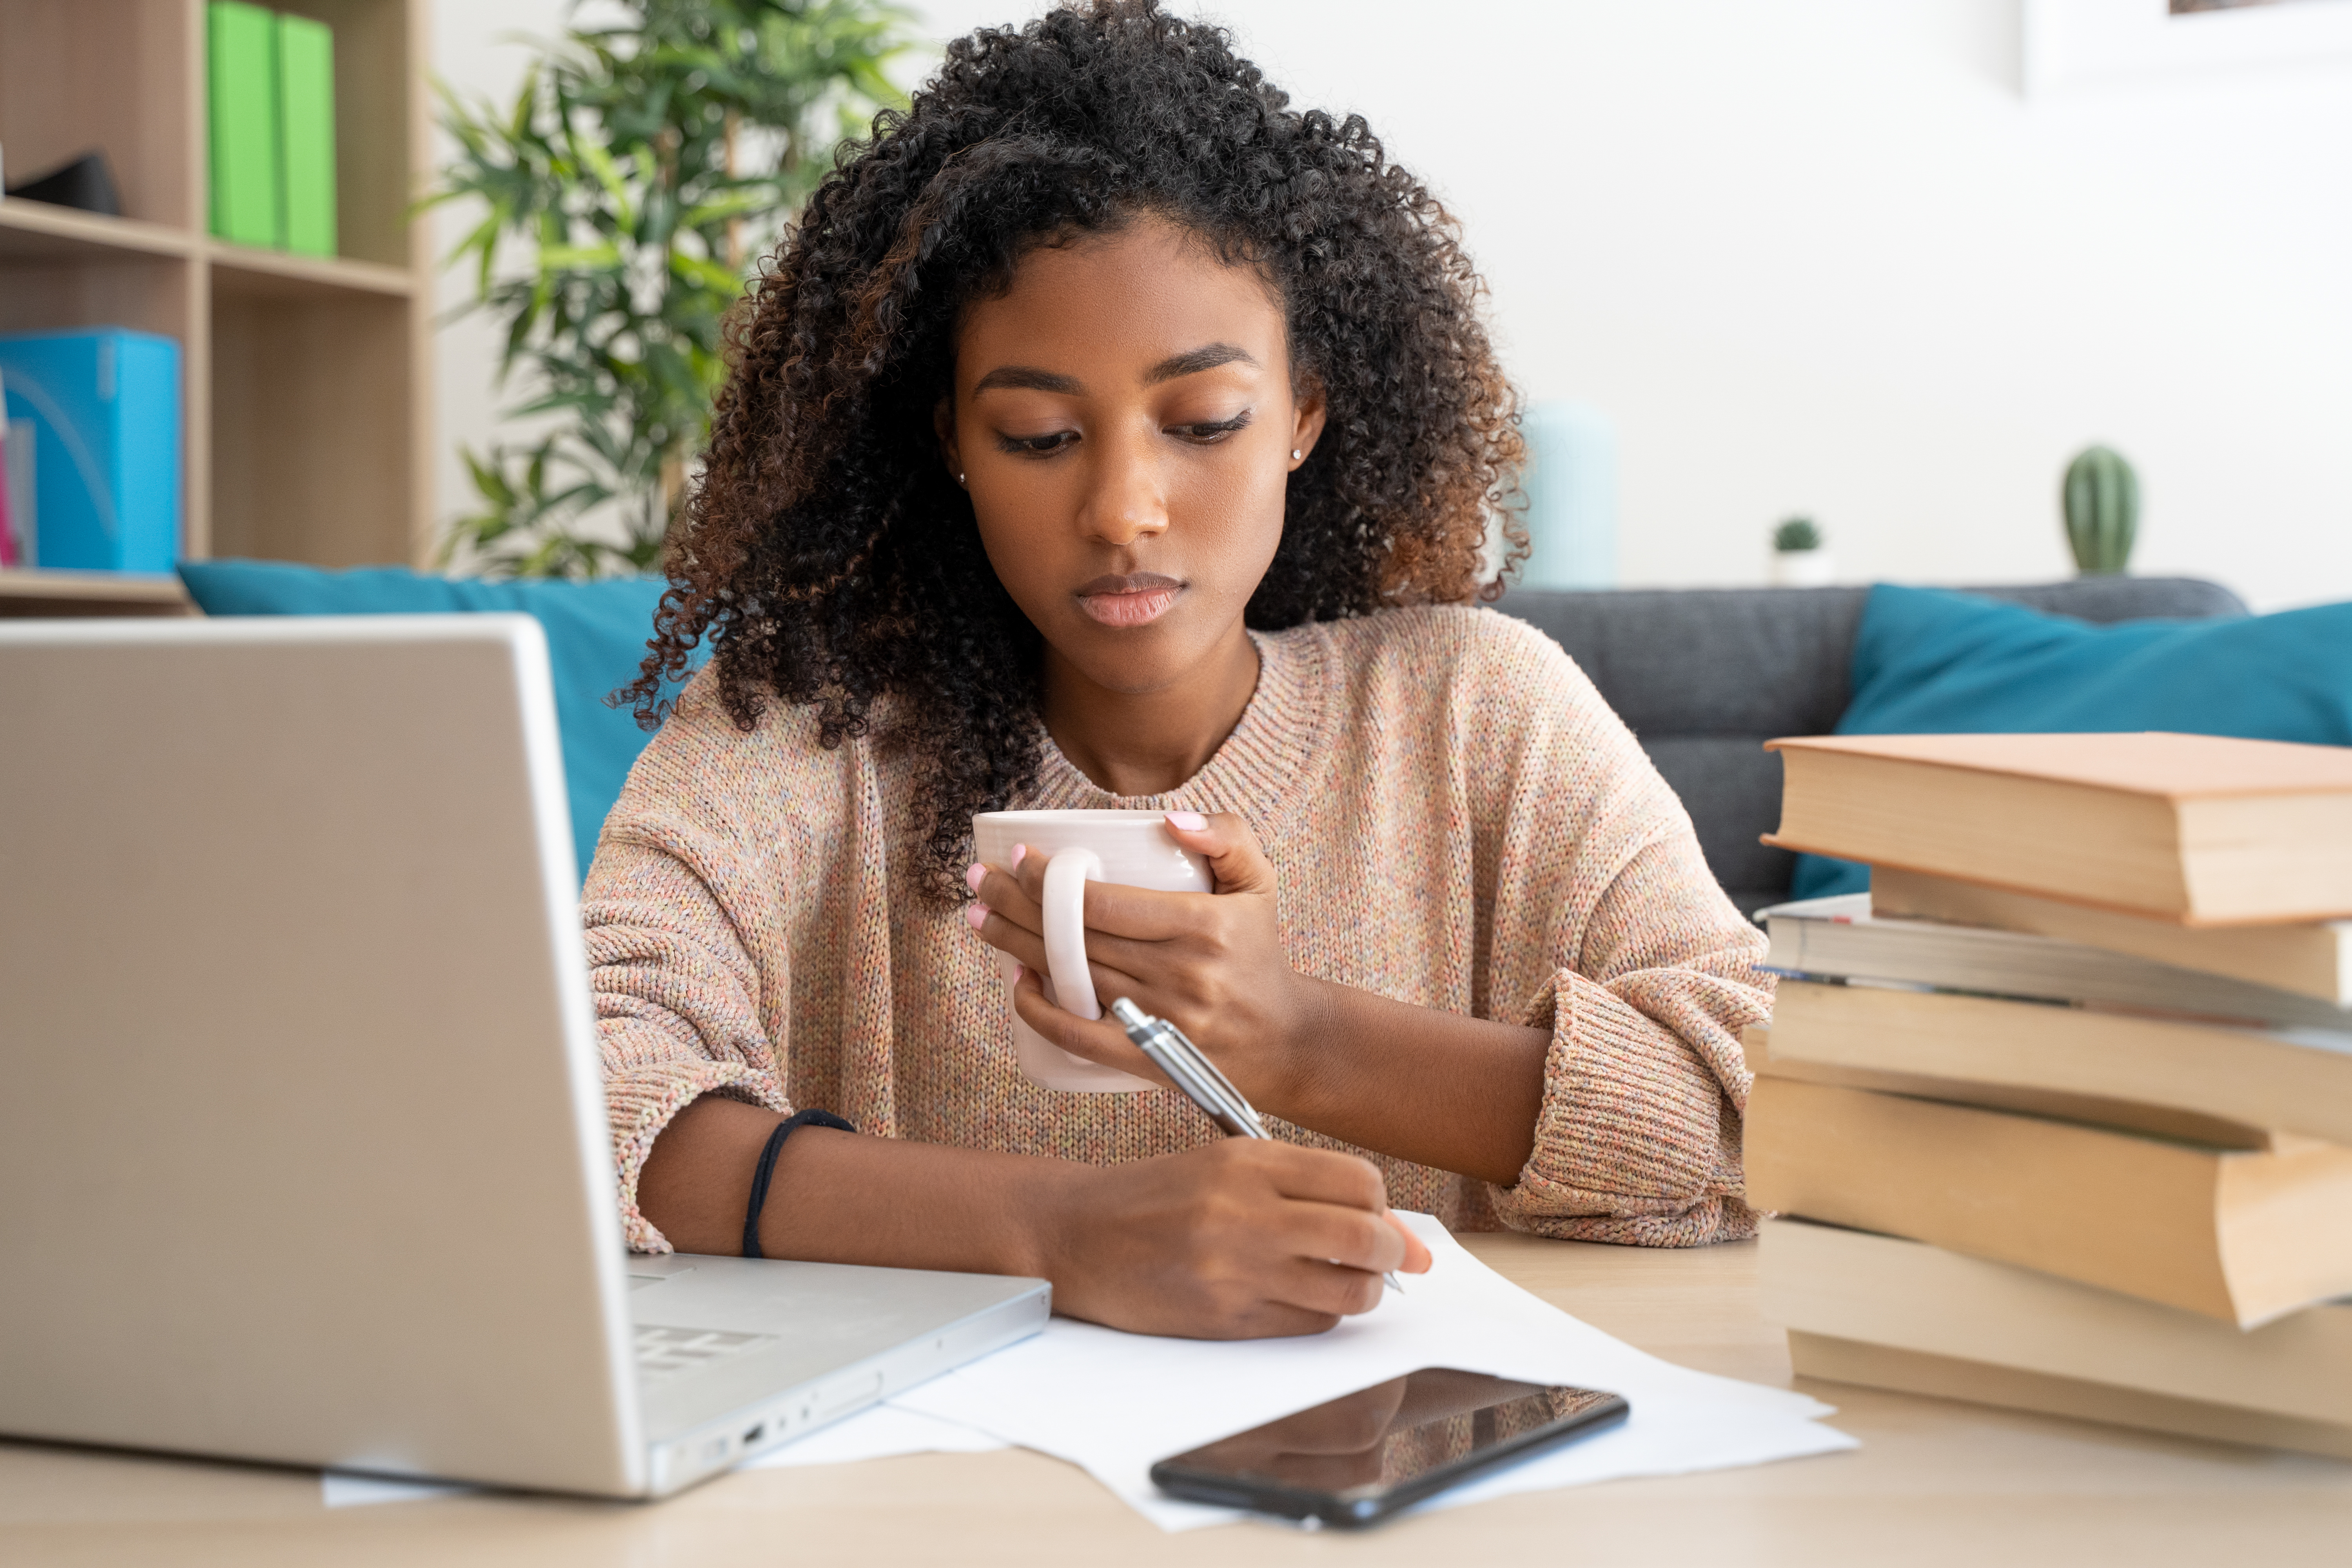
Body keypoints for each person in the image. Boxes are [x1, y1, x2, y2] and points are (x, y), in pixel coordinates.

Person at [593, 0, 1771, 1341]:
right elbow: (570, 1086)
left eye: (1203, 421)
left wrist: (1303, 1037)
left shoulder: (1480, 714)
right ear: (953, 444)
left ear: (1304, 418)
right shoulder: (813, 731)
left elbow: (1773, 1121)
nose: (1124, 508)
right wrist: (1054, 1233)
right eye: (1040, 434)